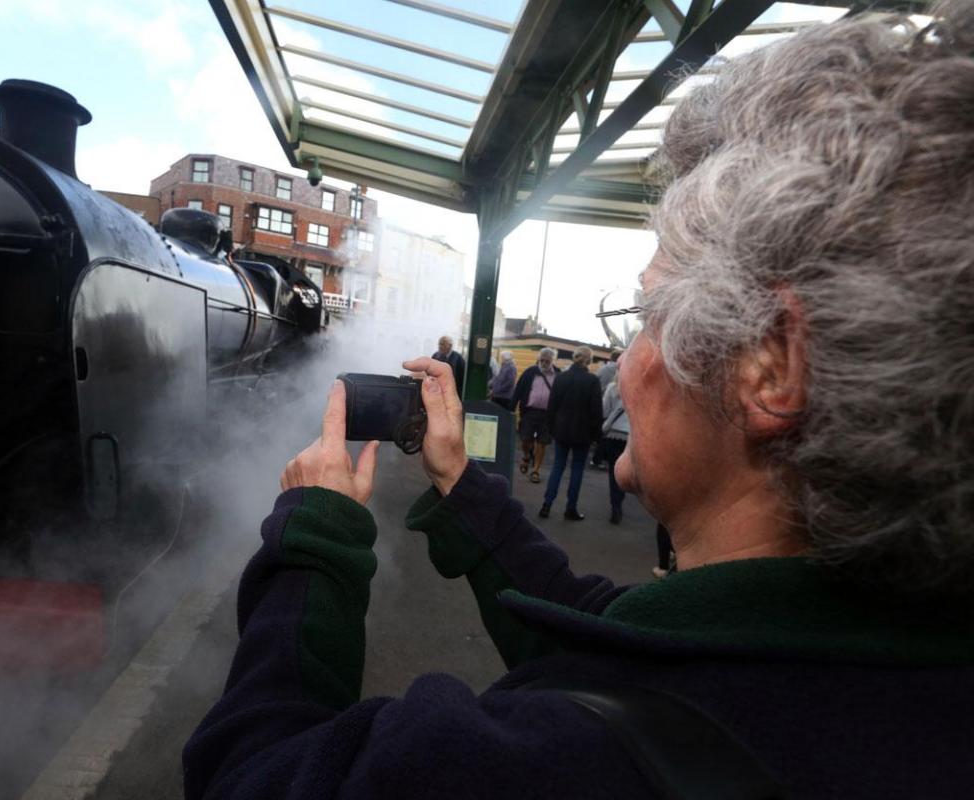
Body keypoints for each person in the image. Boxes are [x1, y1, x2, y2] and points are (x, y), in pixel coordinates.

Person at [184, 10, 974, 799]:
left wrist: (316, 541)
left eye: (646, 318)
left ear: (771, 365)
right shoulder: (859, 660)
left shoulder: (552, 765)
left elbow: (249, 777)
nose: (625, 364)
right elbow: (597, 628)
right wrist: (459, 480)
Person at [539, 346, 602, 520]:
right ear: (589, 360)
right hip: (583, 433)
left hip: (561, 430)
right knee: (577, 470)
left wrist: (550, 428)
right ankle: (570, 508)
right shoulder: (592, 381)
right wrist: (597, 436)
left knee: (558, 467)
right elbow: (596, 412)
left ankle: (547, 504)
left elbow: (552, 406)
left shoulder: (561, 378)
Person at [510, 347, 557, 483]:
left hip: (548, 414)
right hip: (529, 412)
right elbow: (518, 390)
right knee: (526, 439)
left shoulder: (558, 375)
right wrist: (511, 408)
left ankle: (536, 470)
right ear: (538, 359)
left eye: (547, 360)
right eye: (542, 360)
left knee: (542, 442)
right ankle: (526, 456)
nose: (544, 363)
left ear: (552, 360)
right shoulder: (530, 372)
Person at [598, 376, 630, 524]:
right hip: (631, 437)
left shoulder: (613, 387)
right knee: (625, 470)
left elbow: (605, 410)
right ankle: (620, 498)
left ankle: (615, 505)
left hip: (613, 434)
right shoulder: (640, 388)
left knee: (613, 471)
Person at [589, 350, 621, 469]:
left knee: (603, 434)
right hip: (616, 406)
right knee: (607, 436)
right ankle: (601, 458)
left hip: (602, 403)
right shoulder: (621, 371)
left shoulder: (602, 369)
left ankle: (598, 458)